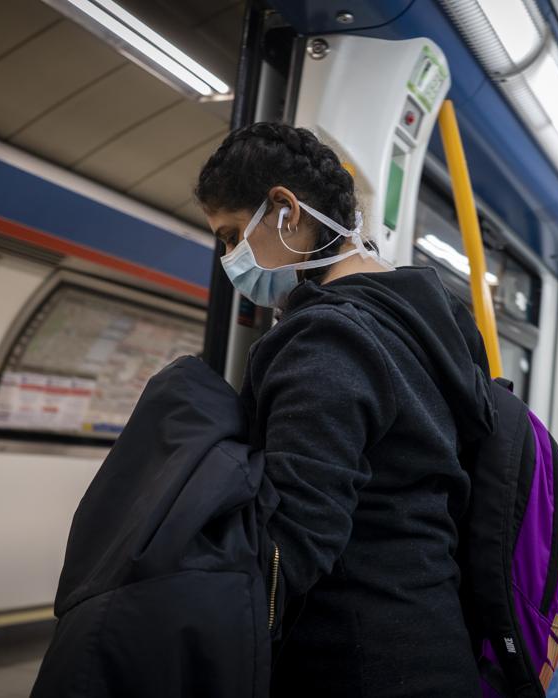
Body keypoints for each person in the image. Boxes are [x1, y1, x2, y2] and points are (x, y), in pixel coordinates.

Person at [194, 123, 496, 697]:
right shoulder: (440, 321)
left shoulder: (324, 341)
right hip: (437, 635)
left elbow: (289, 550)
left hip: (352, 662)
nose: (231, 259)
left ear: (285, 210)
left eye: (233, 235)